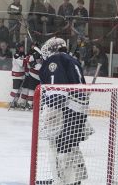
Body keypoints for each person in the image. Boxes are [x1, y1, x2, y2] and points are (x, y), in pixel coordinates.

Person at [39, 37, 89, 184]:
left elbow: (57, 93)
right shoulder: (71, 59)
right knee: (71, 144)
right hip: (79, 109)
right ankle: (75, 178)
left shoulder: (55, 60)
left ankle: (61, 180)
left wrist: (49, 114)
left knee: (59, 146)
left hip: (67, 110)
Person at [20, 44, 42, 110]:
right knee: (30, 90)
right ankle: (27, 104)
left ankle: (28, 104)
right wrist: (34, 64)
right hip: (32, 75)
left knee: (33, 90)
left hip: (38, 76)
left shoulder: (42, 55)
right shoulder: (34, 54)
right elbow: (29, 60)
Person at [9, 43, 26, 108]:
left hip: (21, 74)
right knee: (15, 89)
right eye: (21, 47)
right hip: (16, 74)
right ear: (18, 48)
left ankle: (15, 102)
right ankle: (11, 102)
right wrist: (27, 59)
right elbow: (22, 63)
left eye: (23, 47)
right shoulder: (16, 55)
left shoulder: (23, 54)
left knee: (19, 90)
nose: (22, 48)